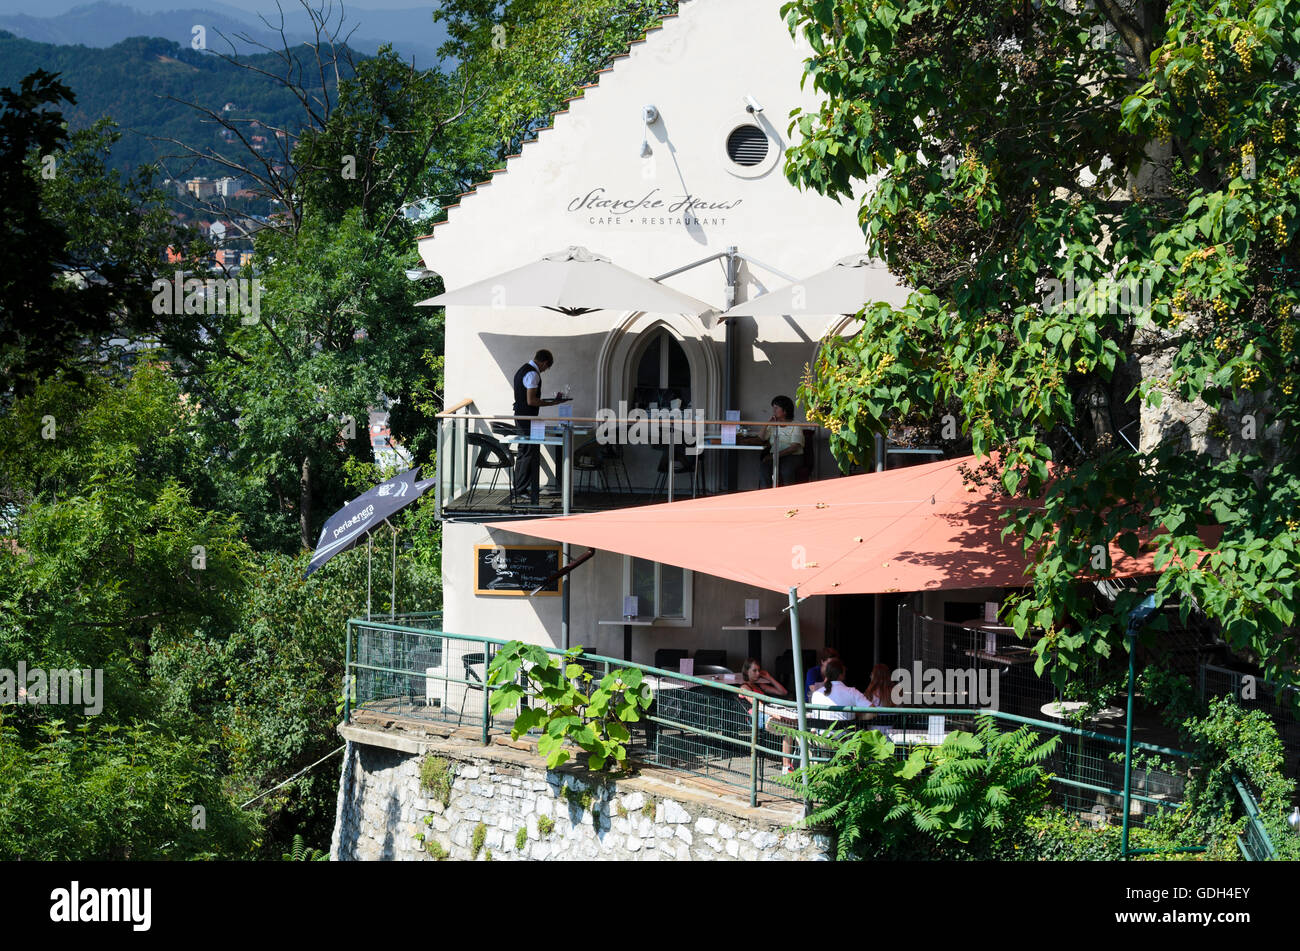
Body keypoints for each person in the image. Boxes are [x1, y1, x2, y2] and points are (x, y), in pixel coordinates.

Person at [509, 349, 565, 504]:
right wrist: (553, 403)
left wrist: (547, 401)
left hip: (521, 416)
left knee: (525, 451)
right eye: (546, 368)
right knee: (527, 452)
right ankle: (520, 490)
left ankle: (521, 488)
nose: (544, 370)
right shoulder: (533, 374)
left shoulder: (522, 370)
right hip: (527, 418)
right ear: (545, 362)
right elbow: (531, 401)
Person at [758, 395, 804, 488]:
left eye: (776, 408)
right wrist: (767, 424)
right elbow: (761, 438)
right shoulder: (774, 424)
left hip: (792, 456)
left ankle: (789, 497)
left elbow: (793, 448)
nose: (773, 411)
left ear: (785, 411)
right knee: (764, 469)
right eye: (773, 408)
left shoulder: (796, 425)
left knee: (786, 470)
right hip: (774, 456)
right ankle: (766, 496)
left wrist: (774, 456)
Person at [737, 657, 787, 731]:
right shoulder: (744, 687)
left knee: (790, 724)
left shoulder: (759, 685)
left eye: (759, 670)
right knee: (783, 724)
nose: (758, 673)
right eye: (754, 670)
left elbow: (783, 692)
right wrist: (776, 714)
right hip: (754, 717)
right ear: (747, 672)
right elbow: (759, 706)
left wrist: (769, 677)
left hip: (766, 713)